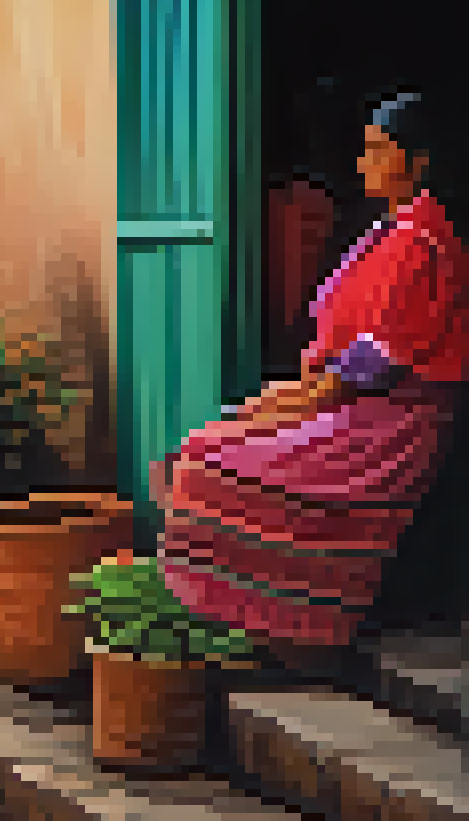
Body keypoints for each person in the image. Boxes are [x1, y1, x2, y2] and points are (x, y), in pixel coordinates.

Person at [158, 91, 469, 663]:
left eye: (380, 149)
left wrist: (297, 400)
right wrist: (294, 395)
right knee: (204, 447)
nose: (364, 162)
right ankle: (255, 623)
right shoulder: (391, 231)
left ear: (419, 160)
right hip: (357, 405)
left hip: (392, 423)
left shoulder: (424, 242)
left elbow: (379, 357)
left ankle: (291, 627)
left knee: (206, 463)